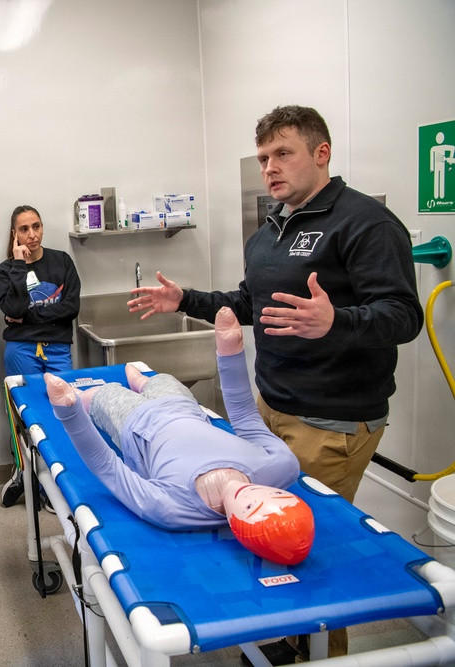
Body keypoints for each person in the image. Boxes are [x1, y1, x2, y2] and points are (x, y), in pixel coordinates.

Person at [128, 104, 424, 662]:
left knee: (309, 548)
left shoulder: (364, 223)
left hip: (331, 419)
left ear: (322, 153)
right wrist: (184, 300)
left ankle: (317, 650)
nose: (270, 167)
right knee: (263, 530)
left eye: (283, 153)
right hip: (269, 410)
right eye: (264, 157)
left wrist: (338, 320)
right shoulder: (270, 231)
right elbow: (248, 303)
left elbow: (404, 315)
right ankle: (275, 640)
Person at [44, 307, 303, 537]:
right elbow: (246, 417)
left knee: (105, 394)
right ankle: (142, 381)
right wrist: (230, 353)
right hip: (184, 407)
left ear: (239, 527)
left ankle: (85, 394)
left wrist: (71, 412)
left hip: (136, 423)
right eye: (275, 495)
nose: (255, 495)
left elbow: (108, 467)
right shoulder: (280, 468)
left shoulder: (172, 508)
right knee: (163, 380)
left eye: (250, 506)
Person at [0, 205, 81, 508]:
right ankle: (27, 474)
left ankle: (56, 483)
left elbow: (71, 308)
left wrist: (31, 315)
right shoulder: (7, 270)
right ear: (15, 234)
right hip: (21, 349)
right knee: (26, 416)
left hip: (57, 347)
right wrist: (20, 265)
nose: (32, 235)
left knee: (62, 414)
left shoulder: (62, 261)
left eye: (36, 226)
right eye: (24, 229)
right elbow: (13, 310)